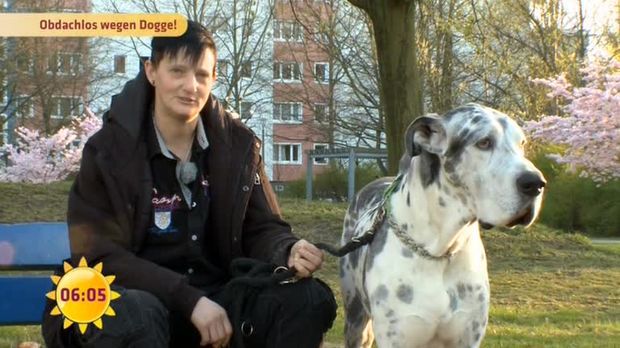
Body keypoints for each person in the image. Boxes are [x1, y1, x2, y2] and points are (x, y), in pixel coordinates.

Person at [42, 20, 336, 348]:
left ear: (214, 77)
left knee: (305, 299)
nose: (190, 86)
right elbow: (100, 256)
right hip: (131, 300)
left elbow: (262, 228)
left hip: (218, 303)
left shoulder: (238, 146)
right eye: (178, 71)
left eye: (201, 74)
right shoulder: (108, 150)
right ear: (152, 71)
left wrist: (287, 248)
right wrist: (188, 299)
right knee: (134, 315)